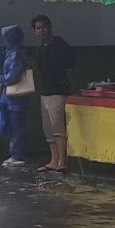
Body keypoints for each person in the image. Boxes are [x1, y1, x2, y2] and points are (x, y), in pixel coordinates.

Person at [32, 14, 75, 172]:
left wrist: (67, 84)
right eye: (38, 28)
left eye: (43, 27)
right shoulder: (40, 50)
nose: (41, 31)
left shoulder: (59, 44)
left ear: (49, 28)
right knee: (48, 129)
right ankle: (53, 159)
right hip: (45, 93)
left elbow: (70, 64)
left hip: (58, 92)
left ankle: (62, 162)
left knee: (58, 128)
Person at [0, 25, 29, 169]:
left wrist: (2, 79)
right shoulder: (11, 52)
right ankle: (14, 153)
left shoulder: (15, 54)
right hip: (9, 97)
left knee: (17, 126)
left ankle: (18, 155)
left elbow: (14, 74)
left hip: (15, 97)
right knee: (12, 126)